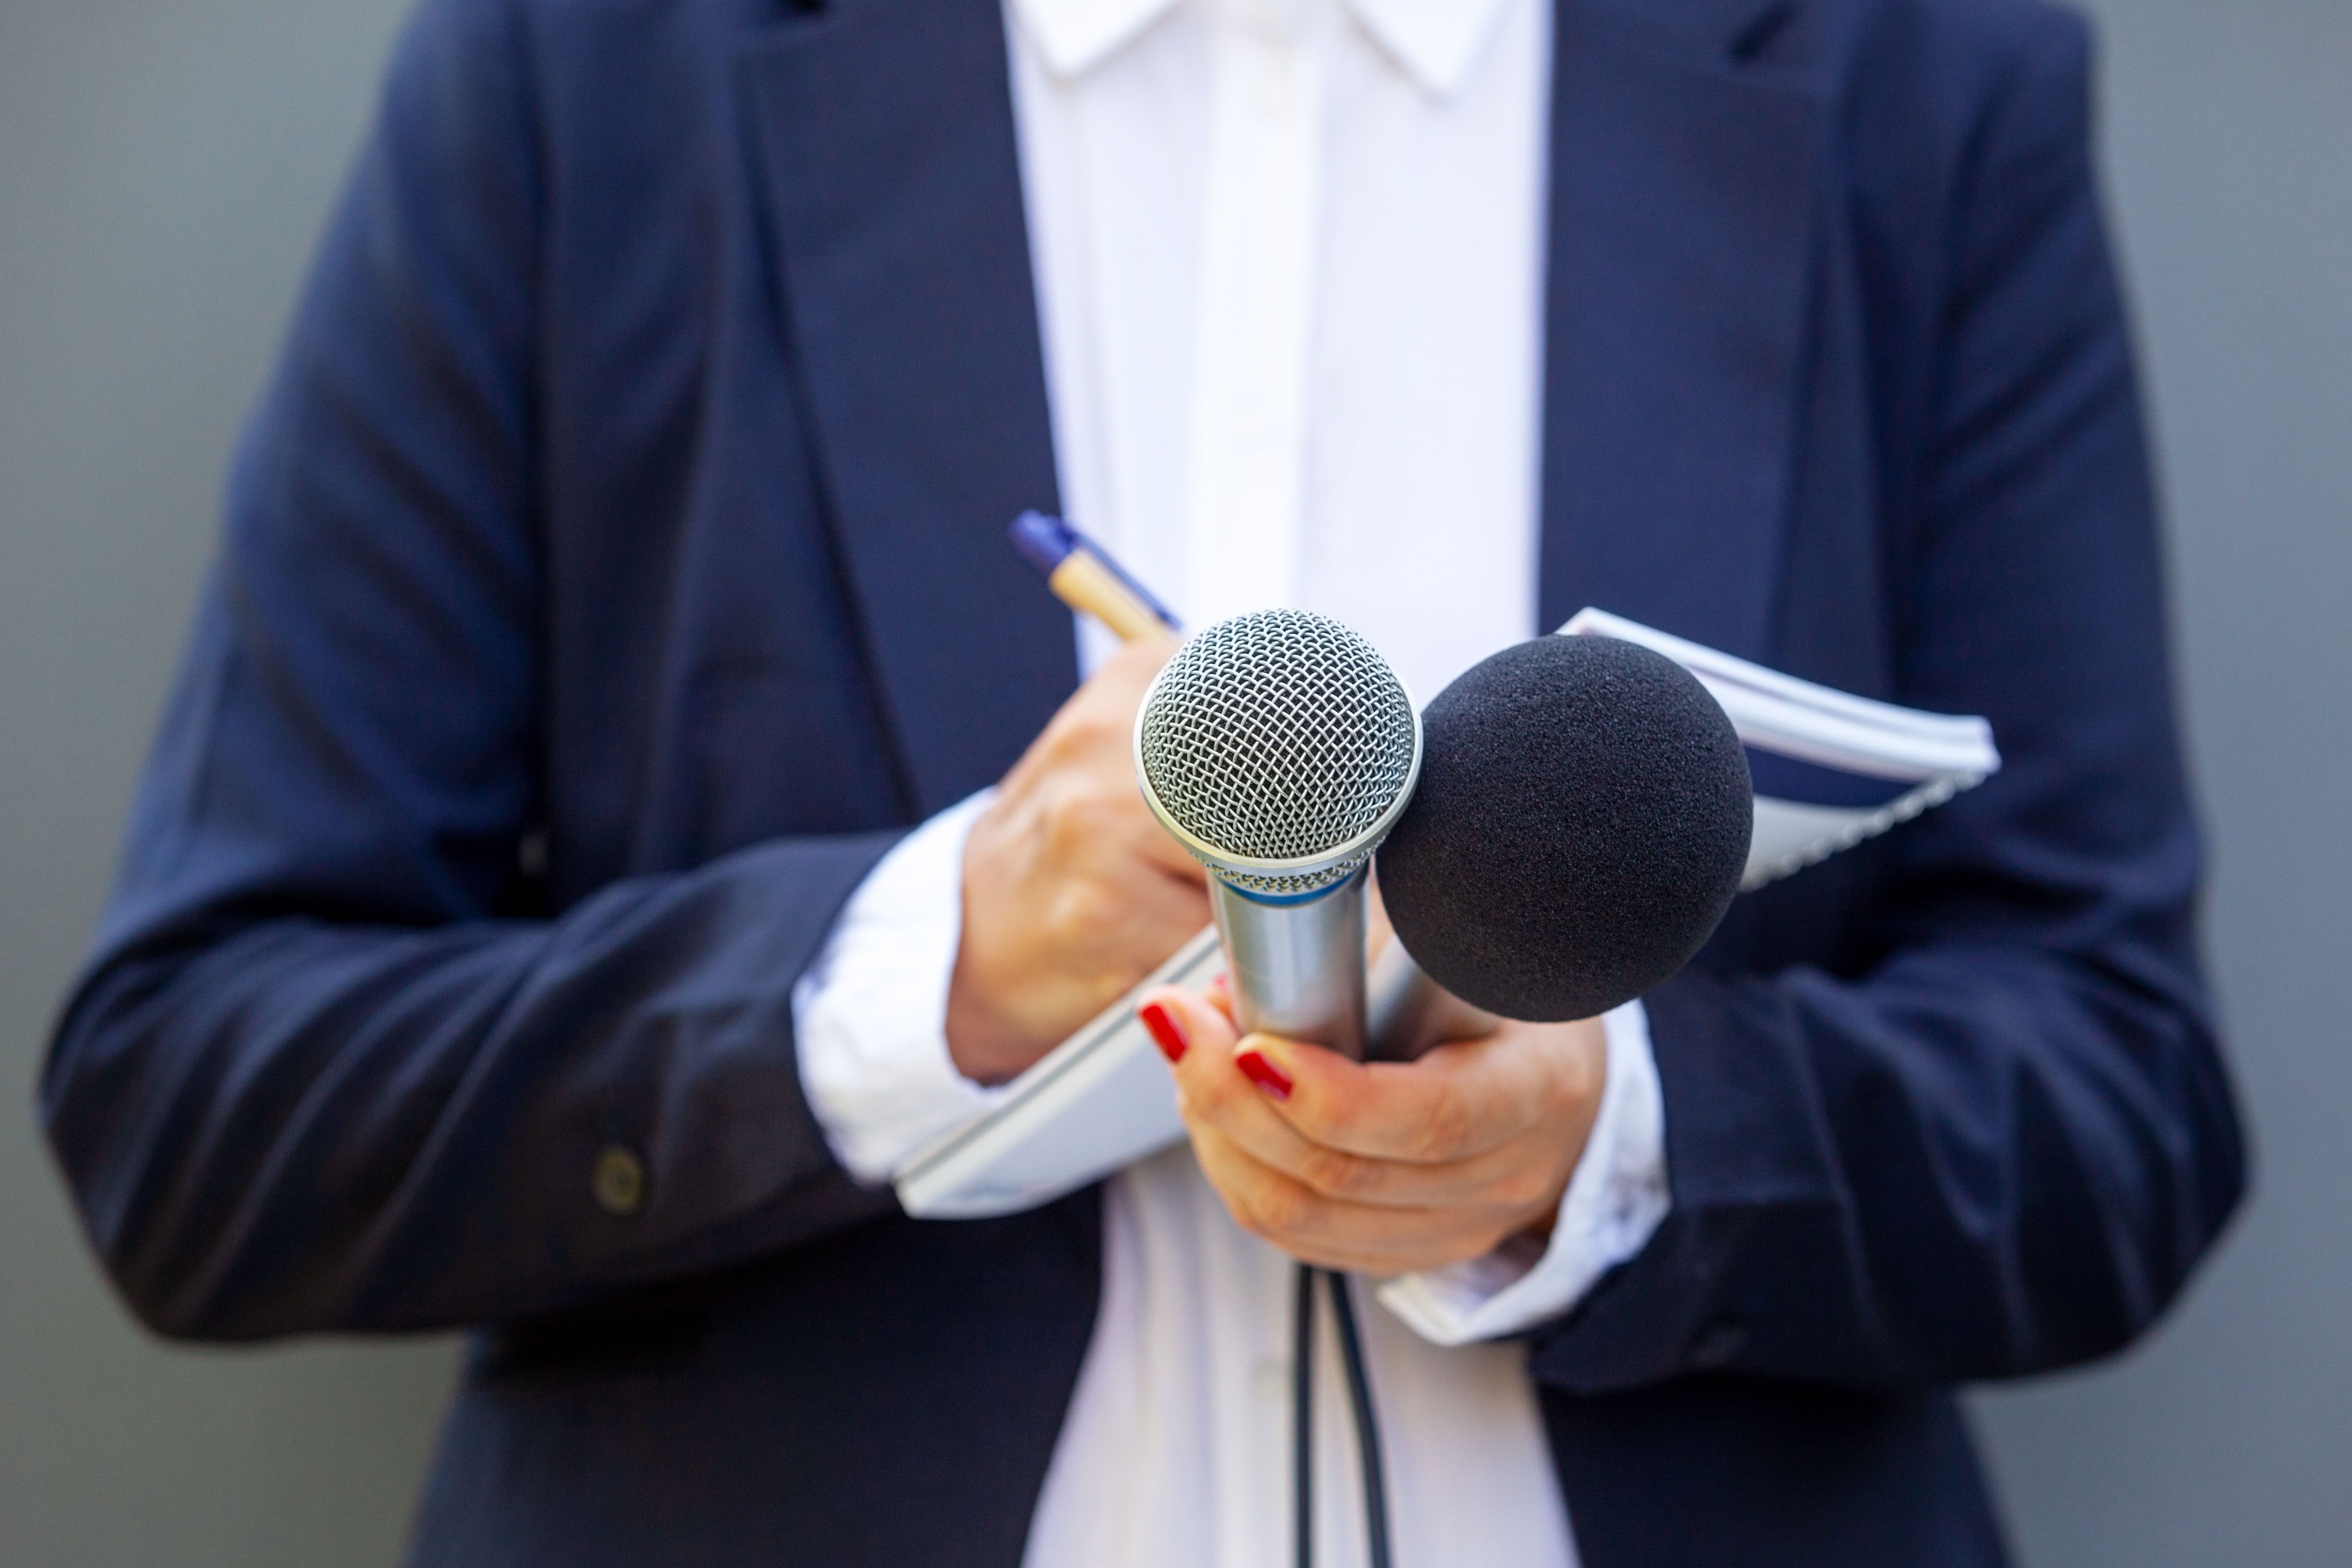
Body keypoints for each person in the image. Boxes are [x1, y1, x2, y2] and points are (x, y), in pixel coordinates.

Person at [40, 0, 2246, 1563]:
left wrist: (1611, 1140)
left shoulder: (1918, 79)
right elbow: (198, 1111)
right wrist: (929, 980)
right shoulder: (580, 70)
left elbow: (2116, 1101)